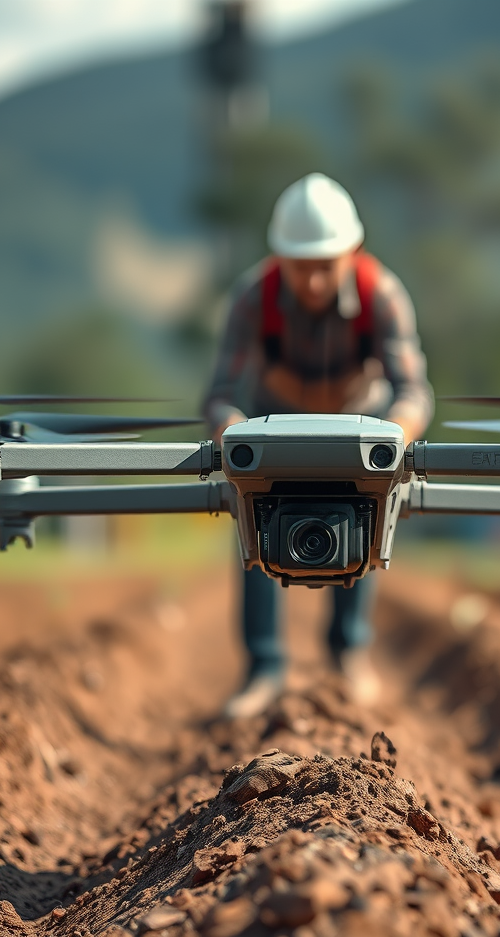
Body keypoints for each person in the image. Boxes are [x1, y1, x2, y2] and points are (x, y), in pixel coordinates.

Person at [203, 172, 434, 718]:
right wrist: (234, 436)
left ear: (351, 252)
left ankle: (347, 655)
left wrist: (392, 440)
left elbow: (414, 392)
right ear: (279, 257)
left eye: (323, 267)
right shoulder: (252, 300)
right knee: (253, 518)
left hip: (361, 423)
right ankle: (264, 668)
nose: (310, 283)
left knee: (364, 517)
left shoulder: (384, 296)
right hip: (272, 424)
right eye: (299, 267)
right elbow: (218, 396)